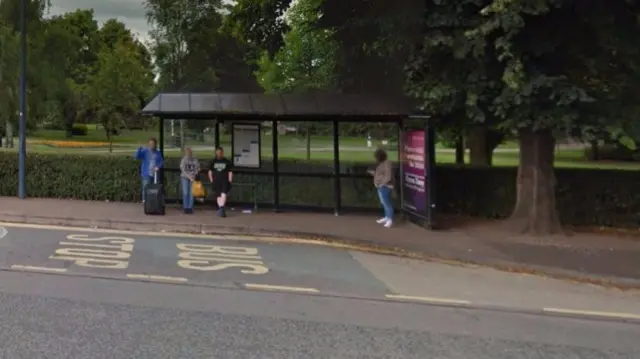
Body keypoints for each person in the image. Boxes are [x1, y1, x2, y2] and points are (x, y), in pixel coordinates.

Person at [369, 148, 394, 228]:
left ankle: (390, 220)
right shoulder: (381, 163)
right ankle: (386, 217)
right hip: (380, 186)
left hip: (385, 186)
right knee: (384, 203)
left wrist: (382, 184)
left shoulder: (387, 163)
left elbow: (388, 176)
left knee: (387, 203)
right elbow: (381, 174)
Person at [134, 137, 164, 203]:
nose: (151, 145)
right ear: (148, 144)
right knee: (146, 188)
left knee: (154, 189)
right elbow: (136, 157)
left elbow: (161, 162)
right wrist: (139, 149)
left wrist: (158, 167)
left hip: (155, 174)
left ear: (155, 144)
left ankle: (153, 202)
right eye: (150, 144)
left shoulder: (158, 153)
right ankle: (145, 202)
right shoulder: (145, 151)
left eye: (153, 144)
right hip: (146, 174)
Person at [208, 146, 233, 217]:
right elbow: (210, 171)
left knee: (224, 193)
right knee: (218, 195)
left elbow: (230, 172)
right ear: (216, 153)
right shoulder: (213, 161)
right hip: (216, 180)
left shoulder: (227, 162)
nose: (219, 154)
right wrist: (211, 180)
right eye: (218, 153)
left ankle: (221, 207)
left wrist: (230, 180)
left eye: (220, 153)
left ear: (222, 153)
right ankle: (221, 208)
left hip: (224, 180)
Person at [180, 147, 200, 214]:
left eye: (189, 152)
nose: (188, 153)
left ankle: (190, 208)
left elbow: (198, 168)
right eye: (187, 152)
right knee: (185, 192)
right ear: (185, 153)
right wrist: (189, 177)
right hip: (185, 177)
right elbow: (183, 170)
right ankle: (185, 207)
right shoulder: (184, 160)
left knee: (192, 193)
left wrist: (194, 175)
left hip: (193, 177)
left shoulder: (195, 159)